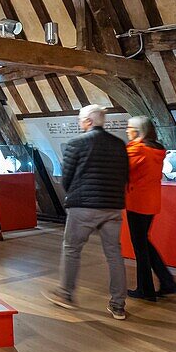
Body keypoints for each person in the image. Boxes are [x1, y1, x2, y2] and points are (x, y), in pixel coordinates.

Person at [44, 104, 129, 320]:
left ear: (89, 121)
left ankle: (65, 294)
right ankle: (118, 304)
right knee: (114, 254)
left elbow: (66, 177)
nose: (79, 123)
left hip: (83, 205)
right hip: (113, 206)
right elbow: (124, 175)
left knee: (72, 248)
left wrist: (73, 194)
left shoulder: (76, 143)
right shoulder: (119, 144)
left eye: (81, 119)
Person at [125, 116, 176, 301]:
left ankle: (146, 289)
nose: (127, 131)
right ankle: (166, 282)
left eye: (130, 128)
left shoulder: (137, 149)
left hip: (137, 202)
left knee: (140, 247)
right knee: (144, 244)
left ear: (139, 131)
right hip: (151, 202)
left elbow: (125, 170)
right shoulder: (156, 150)